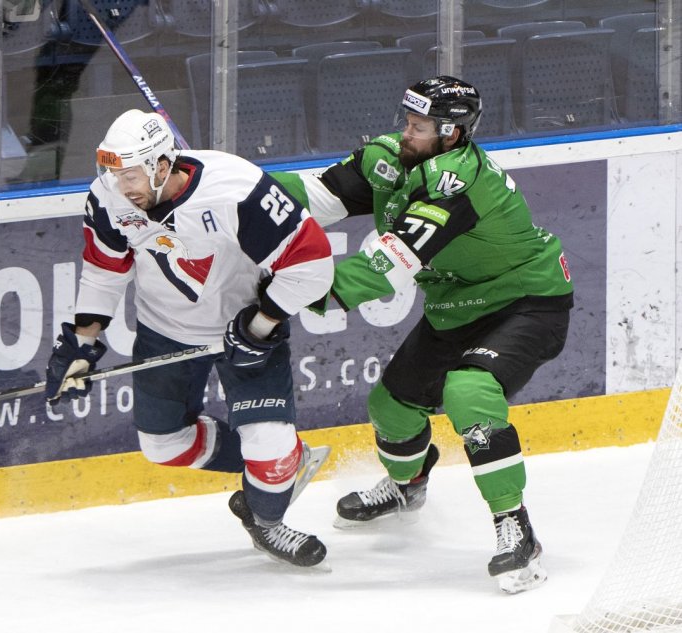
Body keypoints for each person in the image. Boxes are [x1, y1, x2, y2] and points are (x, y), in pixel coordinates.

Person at [291, 76, 573, 593]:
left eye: (419, 126)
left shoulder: (457, 182)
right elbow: (311, 197)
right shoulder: (392, 159)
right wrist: (237, 195)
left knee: (470, 391)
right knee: (391, 408)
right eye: (408, 121)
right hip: (454, 308)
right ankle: (408, 487)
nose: (406, 132)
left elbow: (386, 268)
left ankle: (516, 528)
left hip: (526, 301)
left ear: (452, 133)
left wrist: (289, 297)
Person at [44, 109, 335, 567]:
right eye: (112, 174)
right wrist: (82, 343)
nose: (121, 186)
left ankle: (267, 520)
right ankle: (280, 465)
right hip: (164, 331)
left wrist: (259, 327)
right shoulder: (109, 197)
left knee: (268, 442)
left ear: (162, 165)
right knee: (164, 445)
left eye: (130, 175)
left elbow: (312, 266)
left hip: (247, 331)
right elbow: (104, 270)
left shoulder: (236, 188)